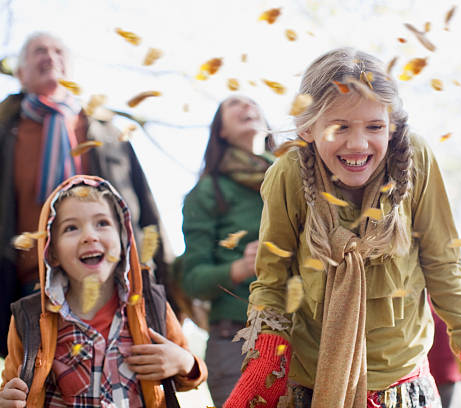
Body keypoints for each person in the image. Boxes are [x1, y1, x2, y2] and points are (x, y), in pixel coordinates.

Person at [224, 47, 461, 408]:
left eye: (375, 127)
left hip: (405, 389)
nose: (358, 144)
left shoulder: (416, 160)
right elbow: (273, 284)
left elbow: (444, 267)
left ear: (392, 126)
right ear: (307, 127)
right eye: (339, 127)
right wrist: (267, 364)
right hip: (311, 389)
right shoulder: (287, 175)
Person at [0, 31, 174, 358]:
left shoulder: (107, 130)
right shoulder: (5, 129)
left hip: (111, 281)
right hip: (29, 284)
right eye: (38, 51)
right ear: (20, 72)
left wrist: (165, 275)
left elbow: (145, 206)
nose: (50, 57)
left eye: (57, 50)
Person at [0, 175, 207, 407]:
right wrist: (8, 399)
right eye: (71, 228)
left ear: (123, 239)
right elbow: (11, 387)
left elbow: (189, 376)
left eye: (102, 223)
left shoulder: (151, 305)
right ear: (52, 252)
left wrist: (183, 362)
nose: (90, 236)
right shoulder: (30, 318)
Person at [180, 95, 275, 406]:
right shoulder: (207, 192)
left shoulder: (298, 180)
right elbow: (192, 281)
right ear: (220, 130)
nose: (248, 107)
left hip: (303, 338)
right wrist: (242, 267)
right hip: (237, 343)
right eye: (235, 104)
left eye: (253, 102)